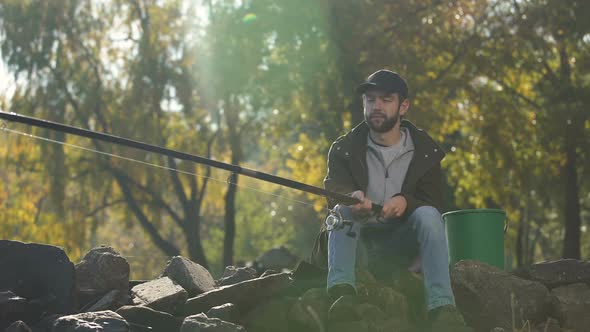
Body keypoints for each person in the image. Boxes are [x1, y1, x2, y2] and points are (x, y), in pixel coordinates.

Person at [311, 69, 469, 330]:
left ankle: (442, 306)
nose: (377, 106)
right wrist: (352, 198)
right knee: (341, 209)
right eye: (371, 99)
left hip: (402, 248)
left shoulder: (426, 152)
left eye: (386, 99)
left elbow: (434, 201)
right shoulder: (343, 148)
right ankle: (342, 295)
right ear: (364, 103)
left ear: (403, 106)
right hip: (359, 245)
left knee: (429, 214)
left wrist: (407, 202)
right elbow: (333, 189)